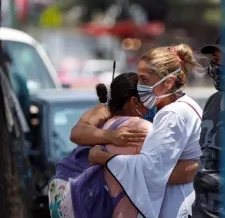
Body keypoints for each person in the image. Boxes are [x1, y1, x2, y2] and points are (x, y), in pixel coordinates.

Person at [74, 44, 203, 218]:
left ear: (169, 82)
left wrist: (103, 158)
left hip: (175, 206)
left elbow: (150, 171)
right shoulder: (183, 105)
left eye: (144, 80)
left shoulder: (172, 114)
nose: (140, 86)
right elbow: (77, 132)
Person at [49, 72, 195, 218]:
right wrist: (112, 137)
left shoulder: (165, 111)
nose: (149, 99)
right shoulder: (131, 122)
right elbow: (76, 133)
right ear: (134, 101)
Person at [192, 38, 224, 218]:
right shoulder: (214, 101)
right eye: (215, 60)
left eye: (222, 59)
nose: (216, 66)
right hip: (203, 210)